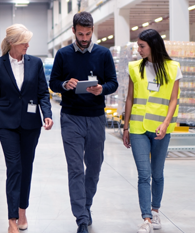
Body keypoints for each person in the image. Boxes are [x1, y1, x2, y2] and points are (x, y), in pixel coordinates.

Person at [49, 12, 118, 233]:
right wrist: (65, 84)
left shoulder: (103, 54)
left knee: (95, 167)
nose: (85, 38)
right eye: (81, 34)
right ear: (73, 31)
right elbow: (53, 83)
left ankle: (86, 206)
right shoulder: (63, 55)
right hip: (71, 118)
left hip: (96, 117)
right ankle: (81, 218)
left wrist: (101, 89)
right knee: (76, 169)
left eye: (88, 33)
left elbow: (113, 83)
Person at [0, 24, 54, 233]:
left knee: (26, 168)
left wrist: (47, 114)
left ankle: (23, 209)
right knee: (14, 167)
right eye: (24, 42)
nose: (28, 45)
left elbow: (43, 92)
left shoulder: (36, 63)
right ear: (13, 43)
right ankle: (12, 219)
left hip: (31, 125)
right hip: (7, 124)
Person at [122, 29, 181, 233]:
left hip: (160, 129)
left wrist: (165, 124)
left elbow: (173, 99)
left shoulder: (173, 68)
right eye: (138, 45)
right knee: (143, 174)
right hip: (138, 128)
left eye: (141, 46)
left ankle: (155, 212)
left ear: (153, 45)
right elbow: (130, 98)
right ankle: (146, 218)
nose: (138, 50)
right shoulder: (134, 68)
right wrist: (125, 126)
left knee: (157, 174)